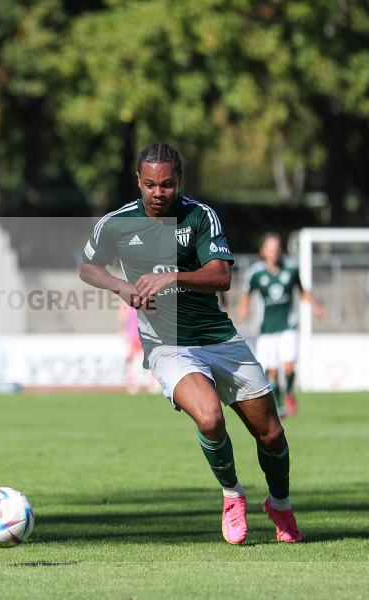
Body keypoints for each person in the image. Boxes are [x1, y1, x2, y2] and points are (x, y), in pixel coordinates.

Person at [79, 143, 302, 544]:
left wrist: (172, 277)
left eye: (167, 184)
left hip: (219, 338)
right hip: (167, 345)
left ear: (179, 181)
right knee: (210, 418)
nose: (158, 193)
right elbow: (88, 266)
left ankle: (280, 504)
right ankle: (233, 495)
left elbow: (221, 277)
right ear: (138, 181)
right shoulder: (117, 223)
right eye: (150, 185)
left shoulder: (200, 216)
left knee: (270, 434)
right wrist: (121, 287)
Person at [238, 233, 326, 417]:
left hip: (288, 327)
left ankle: (290, 392)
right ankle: (278, 405)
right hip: (266, 329)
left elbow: (302, 291)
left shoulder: (291, 269)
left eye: (277, 248)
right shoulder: (256, 273)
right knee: (271, 371)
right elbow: (246, 291)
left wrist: (315, 308)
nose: (274, 252)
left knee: (288, 367)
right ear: (263, 251)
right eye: (270, 248)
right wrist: (244, 307)